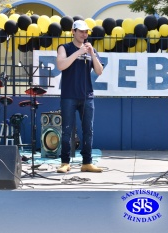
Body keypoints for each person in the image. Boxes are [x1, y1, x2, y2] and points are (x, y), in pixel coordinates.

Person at [56, 20, 104, 173]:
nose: (85, 34)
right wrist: (79, 52)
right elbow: (61, 65)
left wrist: (91, 54)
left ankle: (87, 162)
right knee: (67, 130)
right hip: (69, 95)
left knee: (88, 130)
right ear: (73, 32)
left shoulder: (91, 49)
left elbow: (99, 71)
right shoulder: (65, 48)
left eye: (86, 32)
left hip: (87, 96)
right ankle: (65, 162)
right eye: (82, 31)